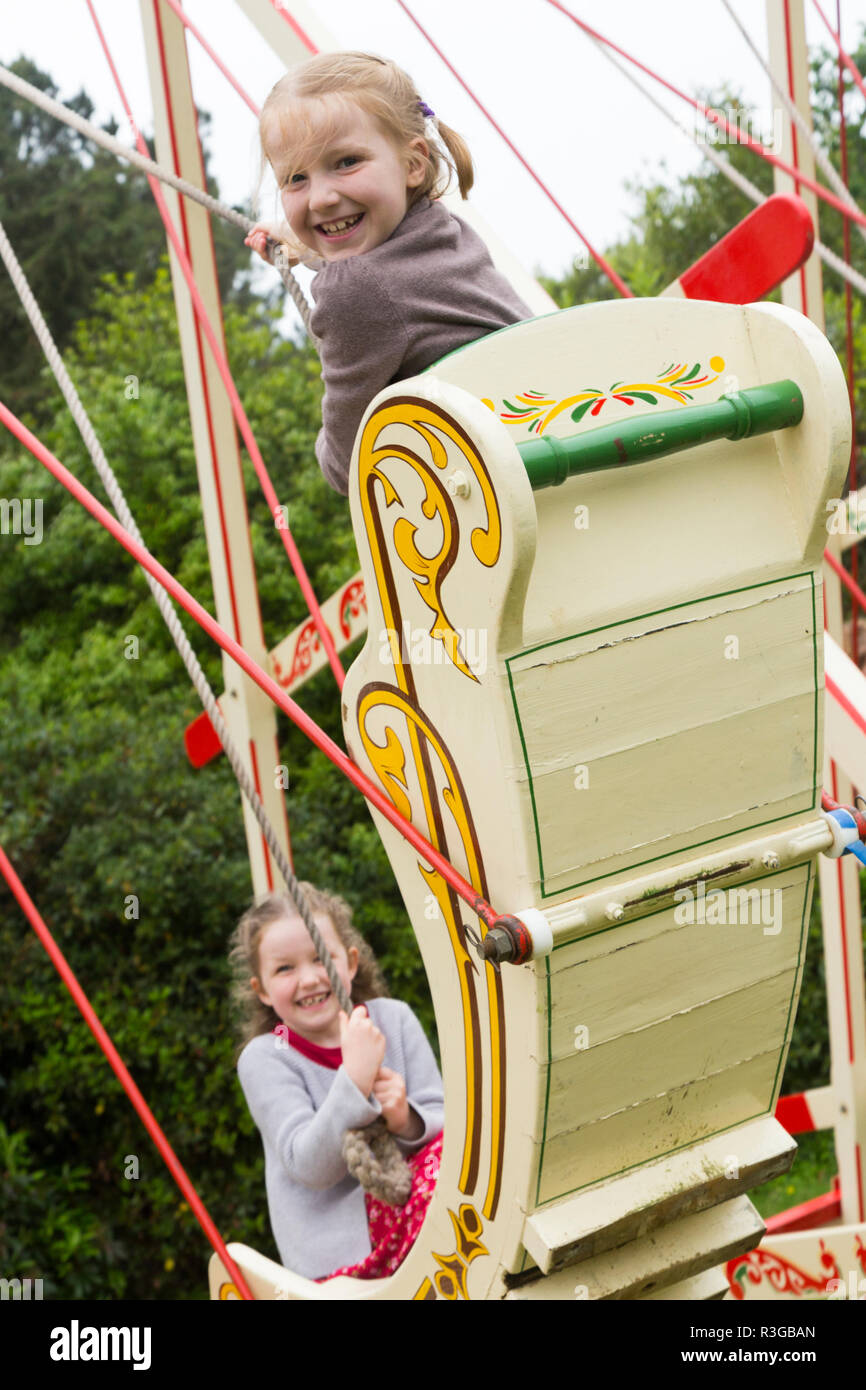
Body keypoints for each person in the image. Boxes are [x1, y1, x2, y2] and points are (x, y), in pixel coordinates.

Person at [245, 51, 533, 495]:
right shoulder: (442, 228)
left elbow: (346, 465)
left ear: (413, 164)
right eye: (296, 179)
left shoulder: (351, 296)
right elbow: (396, 281)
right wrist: (306, 249)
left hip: (501, 491)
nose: (320, 199)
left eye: (345, 162)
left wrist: (322, 448)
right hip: (541, 438)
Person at [230, 883, 444, 1281]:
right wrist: (354, 1080)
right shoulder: (265, 1058)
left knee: (466, 1169)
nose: (309, 978)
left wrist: (406, 1120)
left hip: (413, 1200)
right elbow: (308, 1165)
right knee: (444, 1193)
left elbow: (444, 1119)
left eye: (321, 958)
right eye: (284, 968)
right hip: (343, 1254)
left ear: (350, 962)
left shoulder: (393, 1020)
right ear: (260, 989)